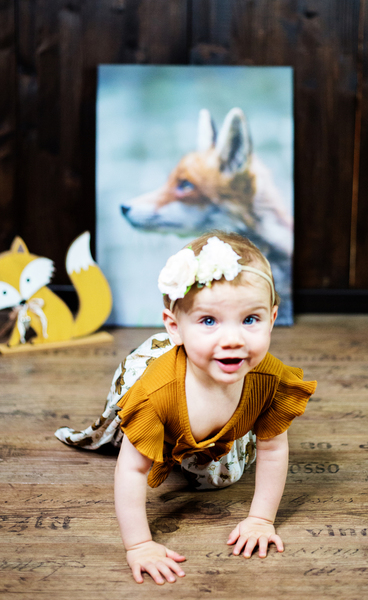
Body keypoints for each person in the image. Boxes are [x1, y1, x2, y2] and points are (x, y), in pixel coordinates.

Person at [55, 231, 317, 585]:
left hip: (221, 416)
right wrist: (139, 545)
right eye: (208, 320)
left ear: (271, 319)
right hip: (162, 387)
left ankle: (215, 437)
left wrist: (260, 519)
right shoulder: (155, 394)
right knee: (136, 440)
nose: (233, 339)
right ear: (175, 327)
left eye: (249, 319)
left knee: (223, 477)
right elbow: (131, 471)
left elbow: (272, 450)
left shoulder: (269, 379)